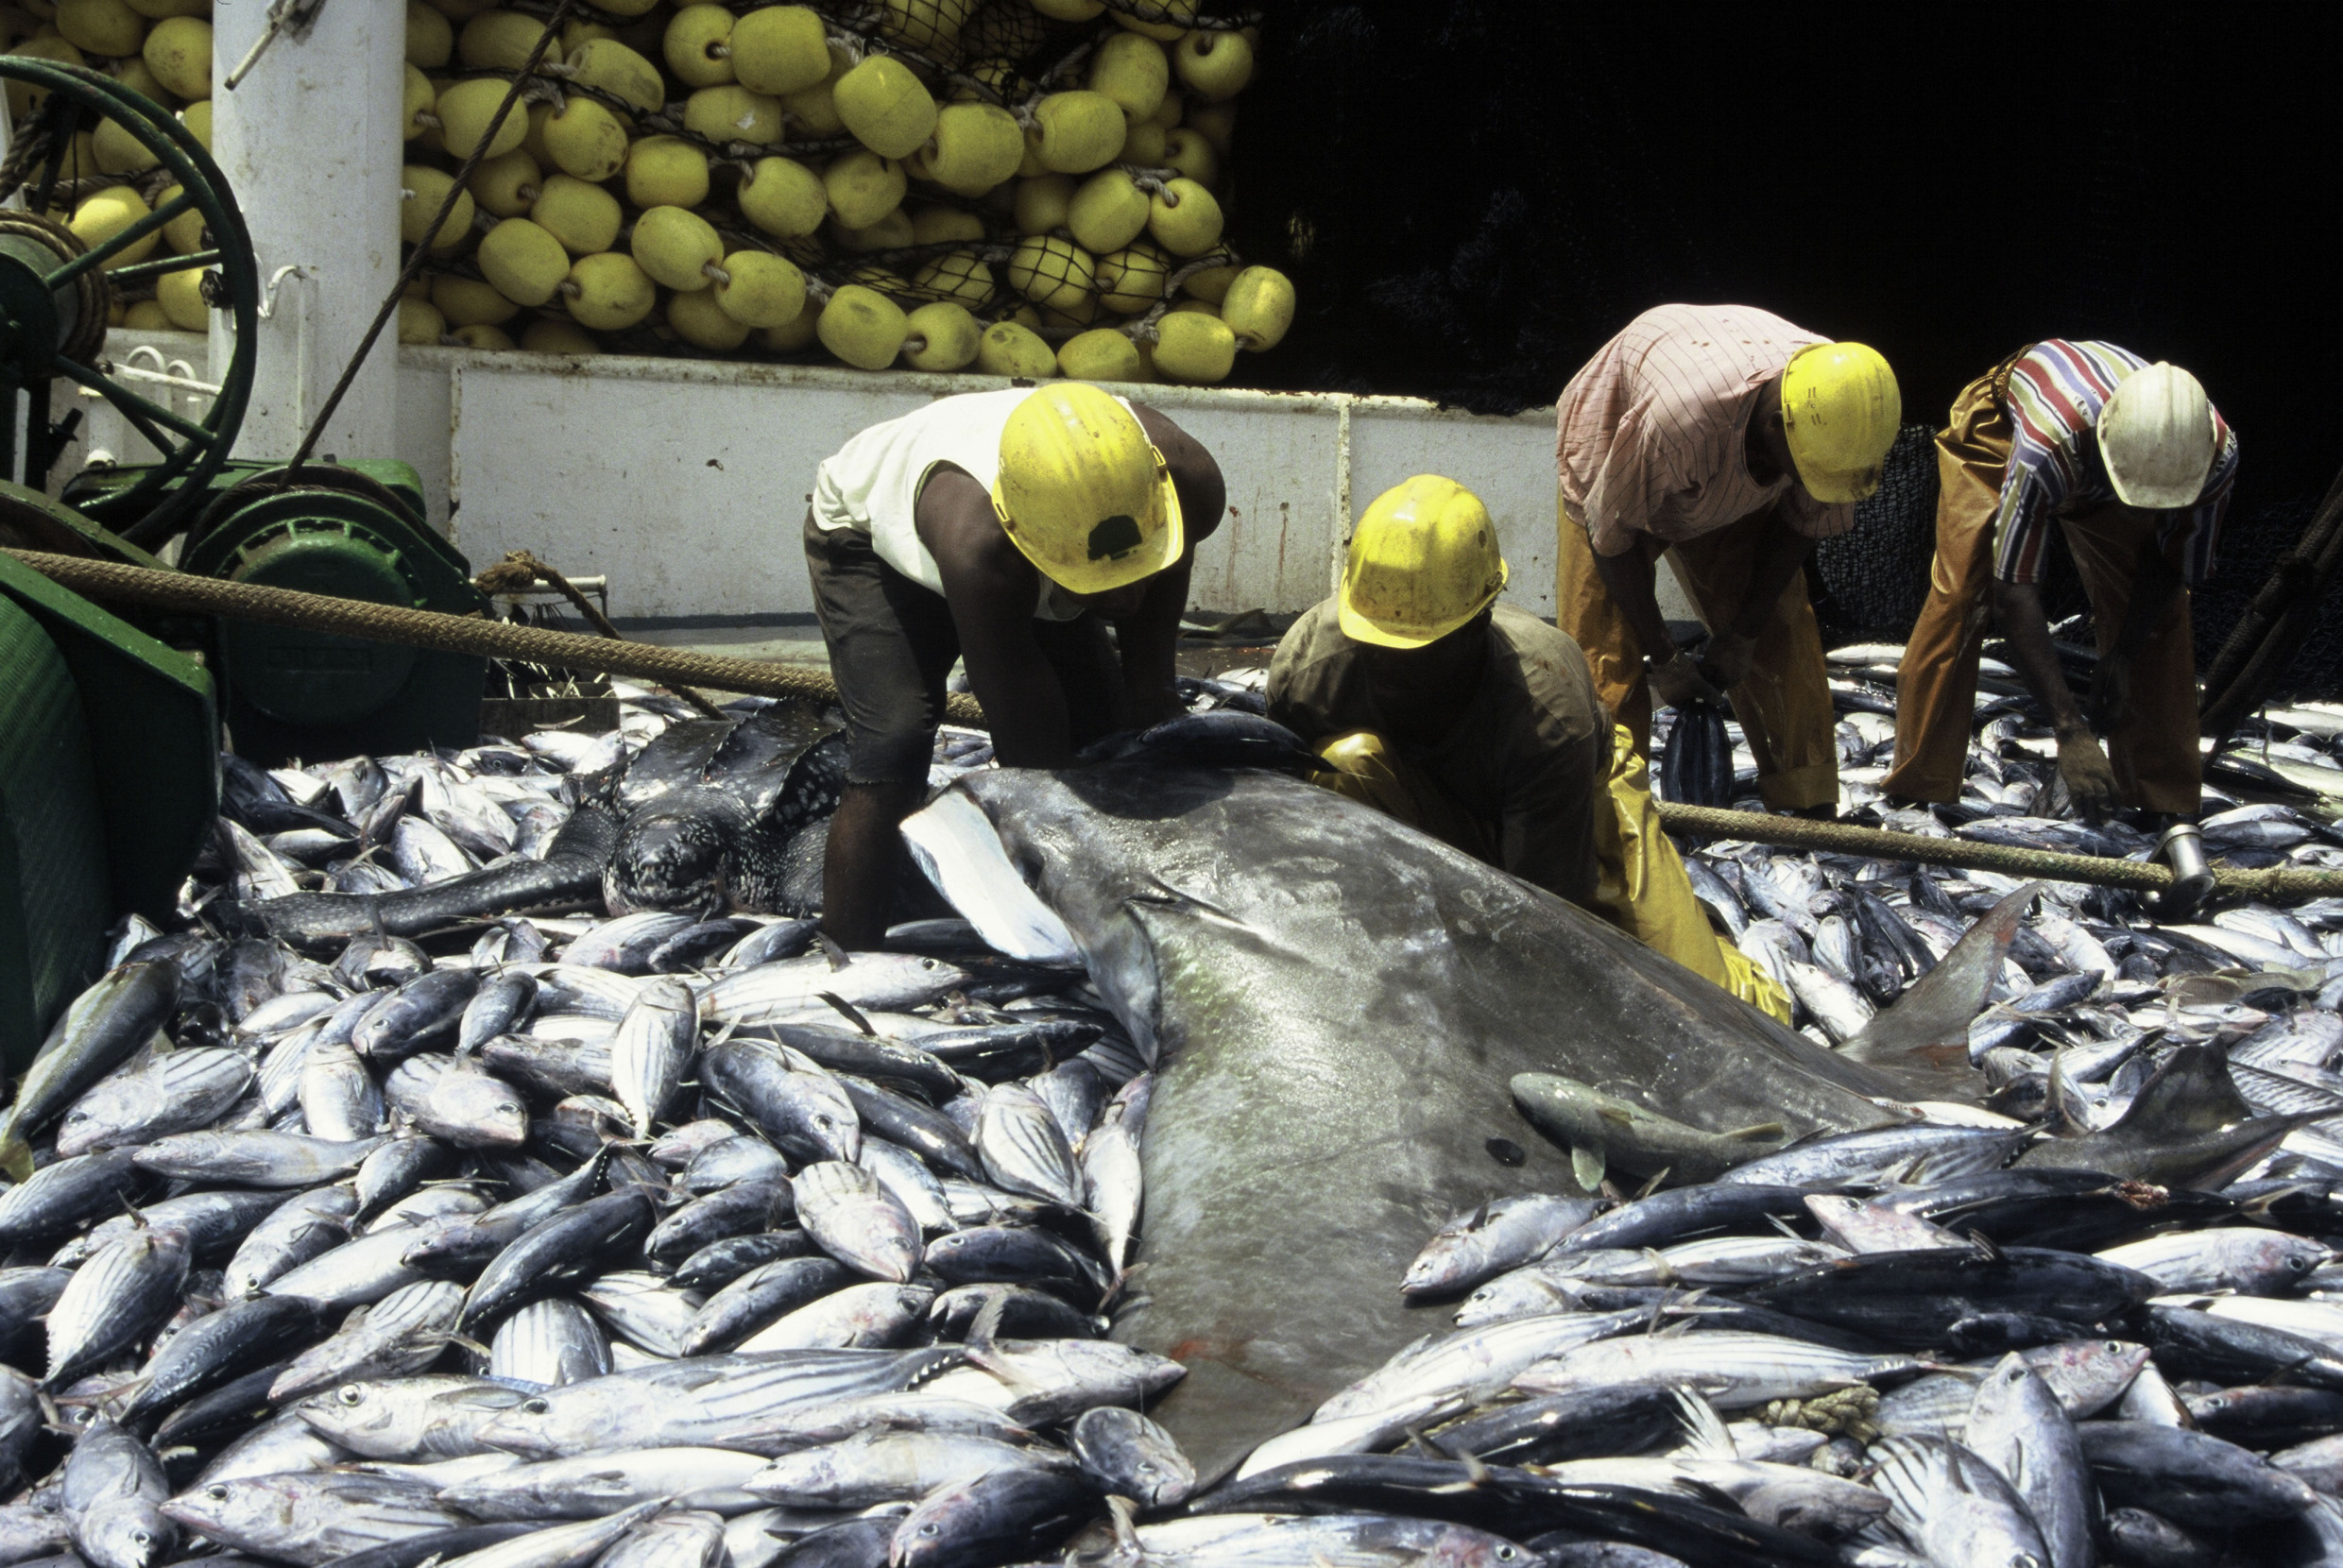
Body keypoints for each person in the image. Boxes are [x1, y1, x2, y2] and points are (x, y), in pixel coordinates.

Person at [1268, 474, 1790, 1020]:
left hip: (1576, 805)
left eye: (1421, 654)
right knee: (1339, 764)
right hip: (1425, 796)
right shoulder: (1307, 673)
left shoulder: (1547, 711)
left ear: (1478, 626)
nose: (1395, 673)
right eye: (1376, 650)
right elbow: (1282, 833)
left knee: (1710, 1012)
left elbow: (1539, 920)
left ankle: (1724, 955)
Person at [804, 383, 1225, 948]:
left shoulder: (1188, 481)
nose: (1126, 603)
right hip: (867, 537)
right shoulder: (982, 548)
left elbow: (1153, 656)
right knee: (895, 744)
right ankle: (846, 955)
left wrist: (1152, 697)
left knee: (1112, 726)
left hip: (1046, 536)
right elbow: (1030, 756)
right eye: (1108, 587)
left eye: (1135, 575)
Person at [1554, 303, 1901, 817]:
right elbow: (1612, 539)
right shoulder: (1680, 428)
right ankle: (1609, 817)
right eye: (1806, 469)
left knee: (1779, 628)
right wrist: (1665, 659)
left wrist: (1744, 635)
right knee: (1605, 653)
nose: (1812, 482)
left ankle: (1806, 804)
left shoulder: (1838, 413)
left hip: (1725, 464)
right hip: (1623, 446)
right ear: (1776, 427)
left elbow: (1800, 524)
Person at [1883, 345, 2234, 824]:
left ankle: (2162, 804)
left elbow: (2169, 566)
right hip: (2004, 428)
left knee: (2164, 619)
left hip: (2110, 463)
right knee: (1963, 597)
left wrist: (2123, 657)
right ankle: (1915, 790)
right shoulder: (2047, 448)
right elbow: (2013, 593)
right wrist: (2070, 731)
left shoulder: (2214, 456)